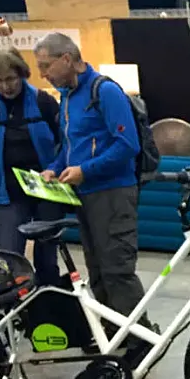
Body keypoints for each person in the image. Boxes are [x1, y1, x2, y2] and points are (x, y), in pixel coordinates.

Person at [32, 33, 155, 350]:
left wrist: (86, 170)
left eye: (46, 66)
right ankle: (113, 333)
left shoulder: (106, 92)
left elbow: (128, 146)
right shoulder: (68, 96)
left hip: (113, 194)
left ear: (67, 59)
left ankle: (141, 338)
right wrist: (54, 167)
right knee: (97, 270)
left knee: (117, 269)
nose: (43, 74)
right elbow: (70, 146)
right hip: (83, 195)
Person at [0, 48, 62, 283]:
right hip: (6, 196)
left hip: (45, 193)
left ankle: (50, 307)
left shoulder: (43, 102)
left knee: (48, 261)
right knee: (10, 261)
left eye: (11, 79)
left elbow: (64, 145)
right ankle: (18, 314)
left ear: (22, 74)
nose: (6, 86)